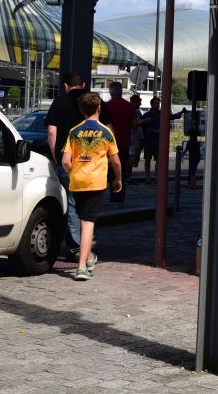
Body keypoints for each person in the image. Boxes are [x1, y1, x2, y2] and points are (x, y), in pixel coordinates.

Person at [46, 71, 113, 259]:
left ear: (66, 86)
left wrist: (56, 156)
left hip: (69, 160)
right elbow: (109, 129)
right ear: (83, 84)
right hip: (94, 163)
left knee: (72, 203)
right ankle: (90, 241)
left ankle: (77, 247)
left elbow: (52, 132)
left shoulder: (59, 101)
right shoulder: (95, 101)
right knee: (90, 204)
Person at [61, 92, 122, 280]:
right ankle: (82, 267)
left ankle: (88, 257)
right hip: (96, 182)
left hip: (77, 181)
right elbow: (116, 160)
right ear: (99, 108)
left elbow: (65, 161)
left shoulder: (74, 131)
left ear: (81, 110)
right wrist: (118, 179)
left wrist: (74, 173)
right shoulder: (105, 132)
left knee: (81, 219)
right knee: (88, 223)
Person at [138, 97, 185, 185]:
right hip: (149, 141)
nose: (158, 105)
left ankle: (156, 176)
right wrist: (154, 131)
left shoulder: (161, 113)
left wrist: (181, 112)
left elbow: (172, 116)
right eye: (156, 103)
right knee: (147, 160)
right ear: (151, 104)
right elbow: (143, 128)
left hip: (159, 141)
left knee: (158, 160)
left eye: (158, 103)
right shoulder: (147, 115)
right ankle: (147, 176)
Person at [104, 81, 136, 203]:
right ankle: (119, 196)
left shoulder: (105, 106)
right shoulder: (129, 106)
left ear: (110, 92)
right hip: (123, 143)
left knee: (107, 170)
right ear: (121, 91)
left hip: (107, 144)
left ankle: (109, 195)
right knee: (121, 171)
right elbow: (133, 125)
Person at [127, 93, 145, 181]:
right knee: (131, 157)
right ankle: (128, 177)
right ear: (135, 102)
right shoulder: (132, 110)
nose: (140, 104)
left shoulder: (137, 111)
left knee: (134, 158)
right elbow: (134, 124)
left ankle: (129, 176)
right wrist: (145, 121)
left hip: (137, 138)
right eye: (139, 102)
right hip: (133, 138)